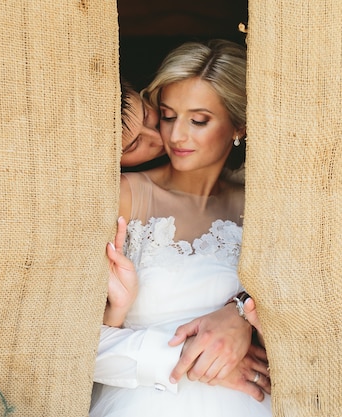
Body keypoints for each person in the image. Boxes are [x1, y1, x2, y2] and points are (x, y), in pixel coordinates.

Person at [91, 39, 271, 416]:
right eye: (169, 115)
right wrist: (193, 359)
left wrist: (239, 316)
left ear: (238, 124)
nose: (175, 136)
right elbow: (65, 345)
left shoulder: (264, 208)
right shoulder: (122, 198)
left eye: (199, 120)